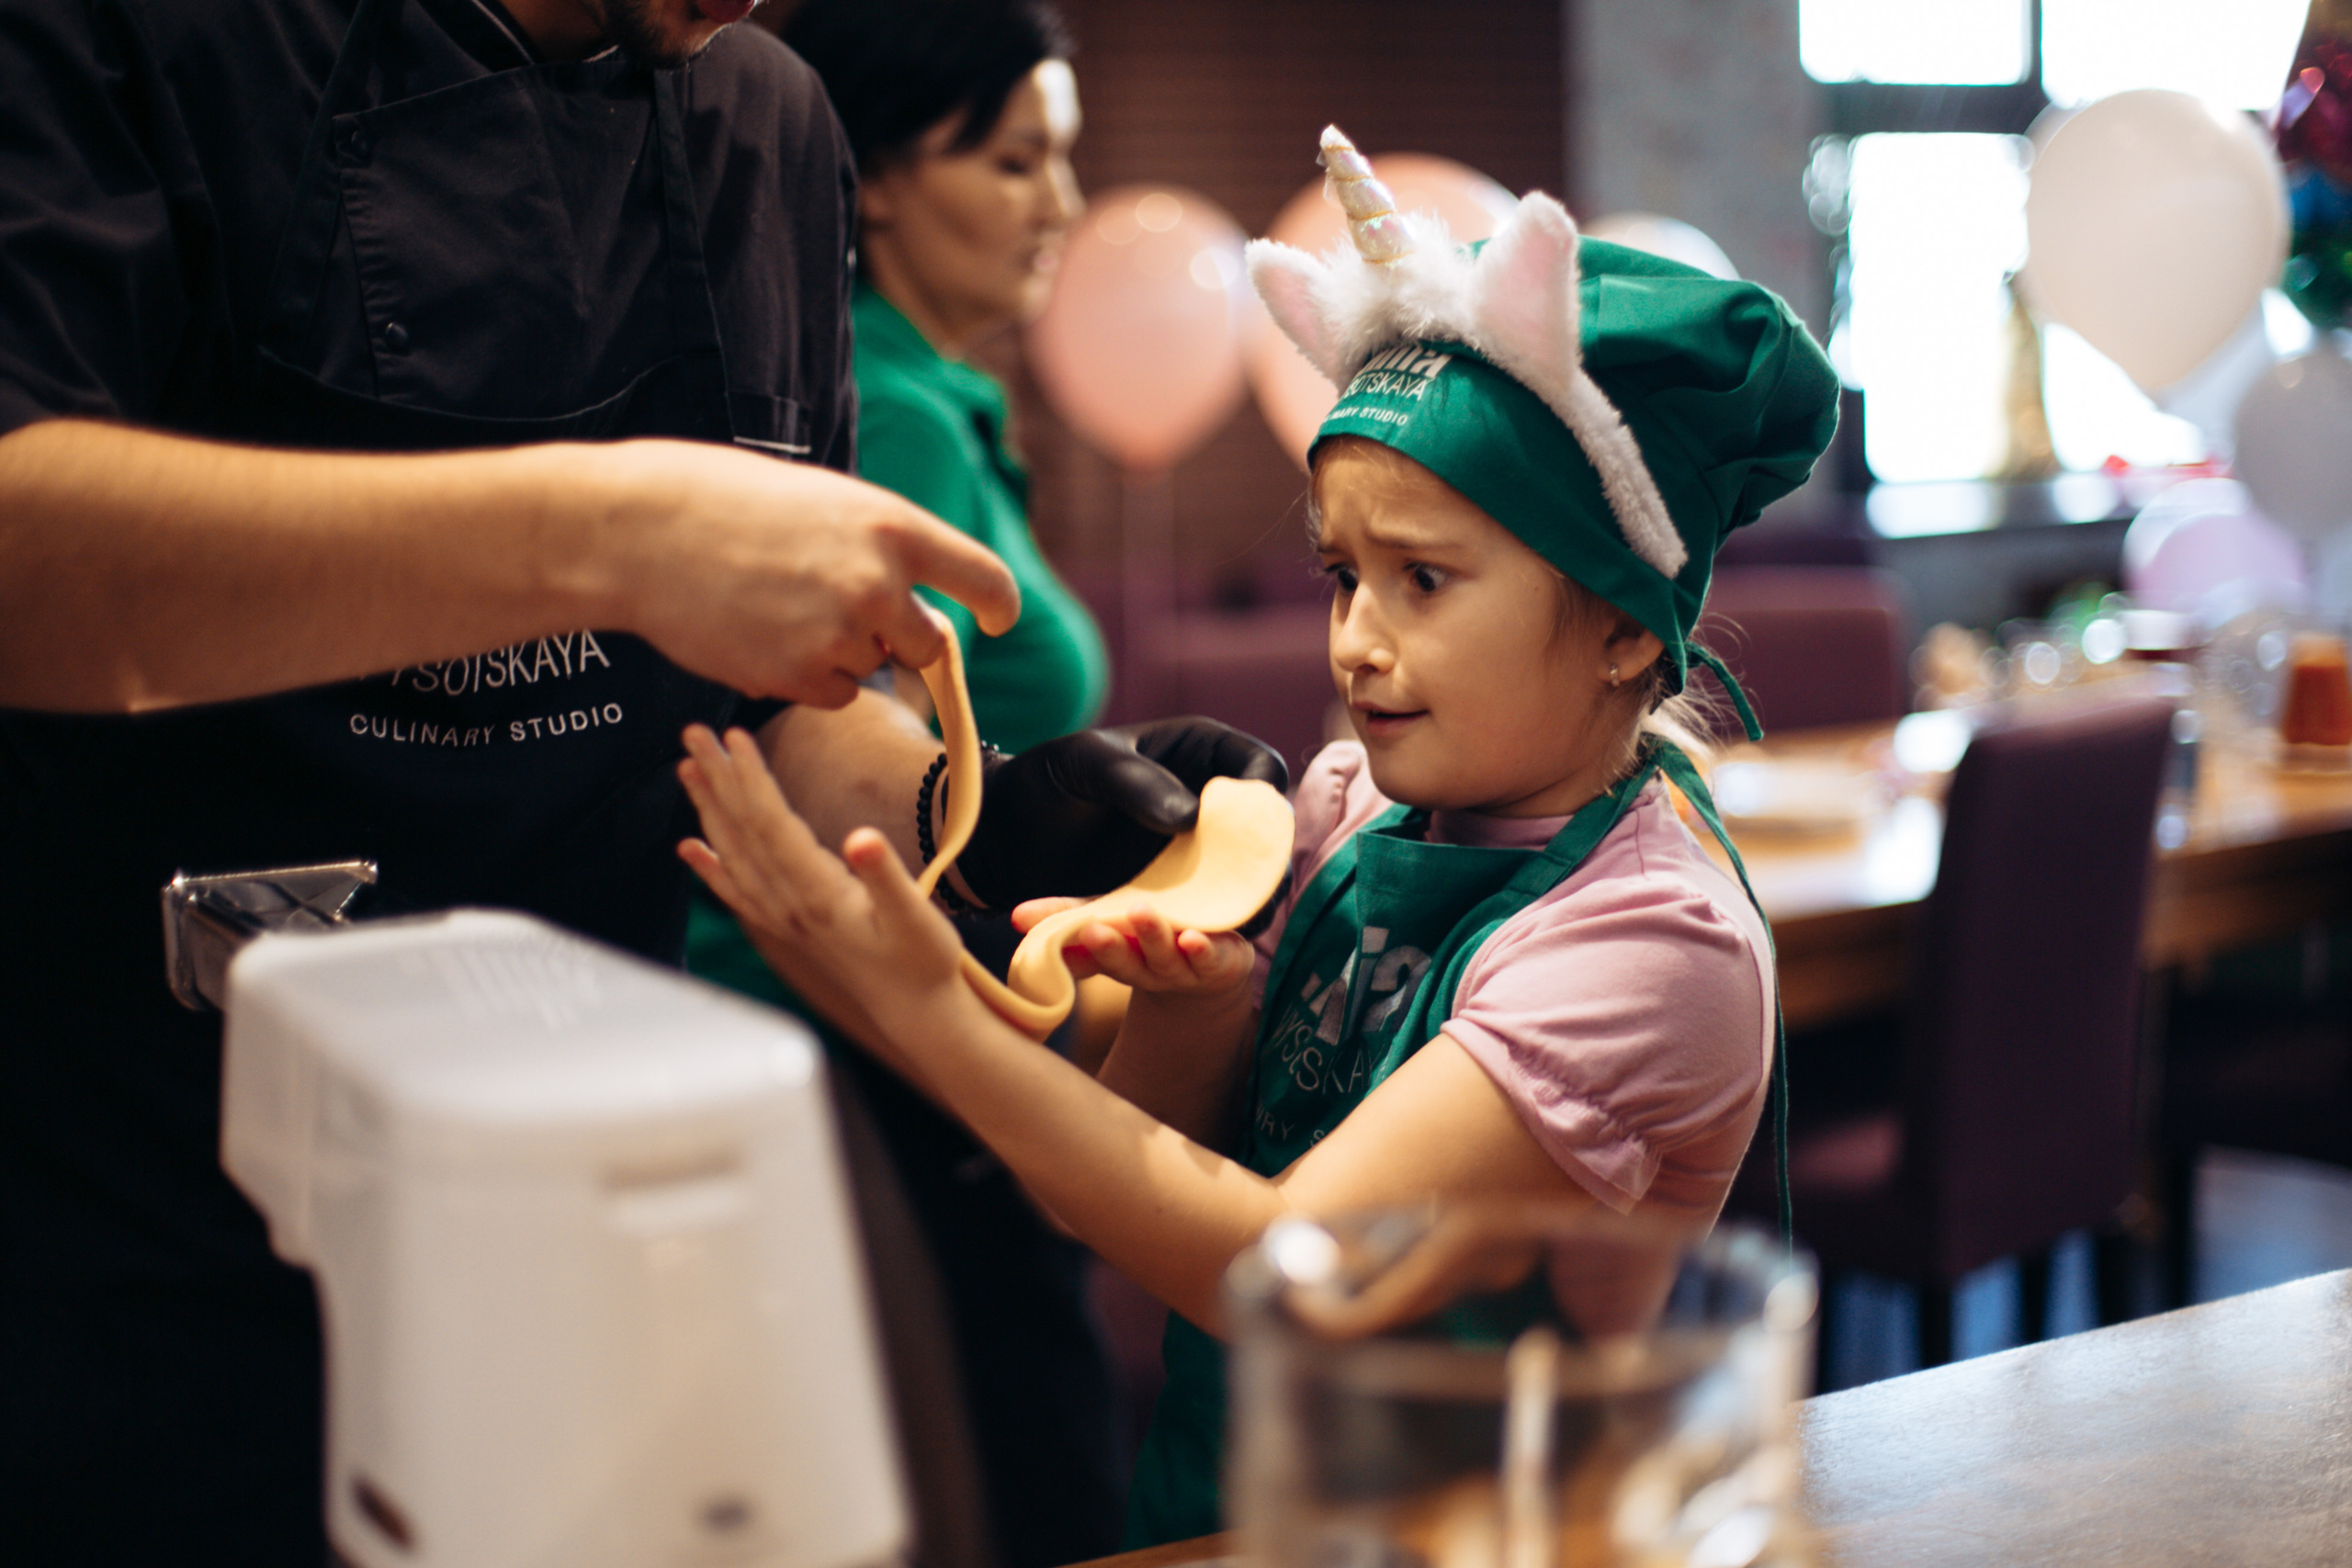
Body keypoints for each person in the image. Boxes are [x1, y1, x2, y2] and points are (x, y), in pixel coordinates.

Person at [0, 2, 1277, 1562]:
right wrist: (597, 540)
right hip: (141, 1219)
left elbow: (762, 709)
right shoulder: (119, 42)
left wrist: (984, 806)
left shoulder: (764, 124)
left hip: (594, 1202)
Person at [670, 133, 1840, 1546]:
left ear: (1613, 626)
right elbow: (1117, 1171)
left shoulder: (1650, 939)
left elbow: (1277, 1271)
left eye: (1424, 580)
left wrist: (915, 1008)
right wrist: (1204, 1002)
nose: (1355, 639)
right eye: (1343, 574)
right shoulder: (1350, 808)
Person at [687, 6, 1126, 1562]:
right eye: (1016, 161)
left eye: (1066, 159)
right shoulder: (896, 418)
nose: (1061, 206)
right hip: (884, 1038)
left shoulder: (919, 393)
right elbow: (815, 737)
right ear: (868, 178)